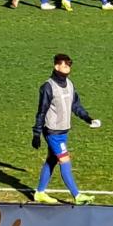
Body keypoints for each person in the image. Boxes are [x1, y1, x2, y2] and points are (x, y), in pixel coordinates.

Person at [31, 53, 99, 205]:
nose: (67, 68)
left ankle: (40, 193)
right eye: (64, 65)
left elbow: (76, 106)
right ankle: (77, 195)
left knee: (52, 160)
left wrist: (88, 118)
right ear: (56, 66)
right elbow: (41, 111)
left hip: (64, 131)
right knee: (65, 160)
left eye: (69, 65)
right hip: (53, 132)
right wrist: (36, 133)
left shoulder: (69, 84)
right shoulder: (48, 87)